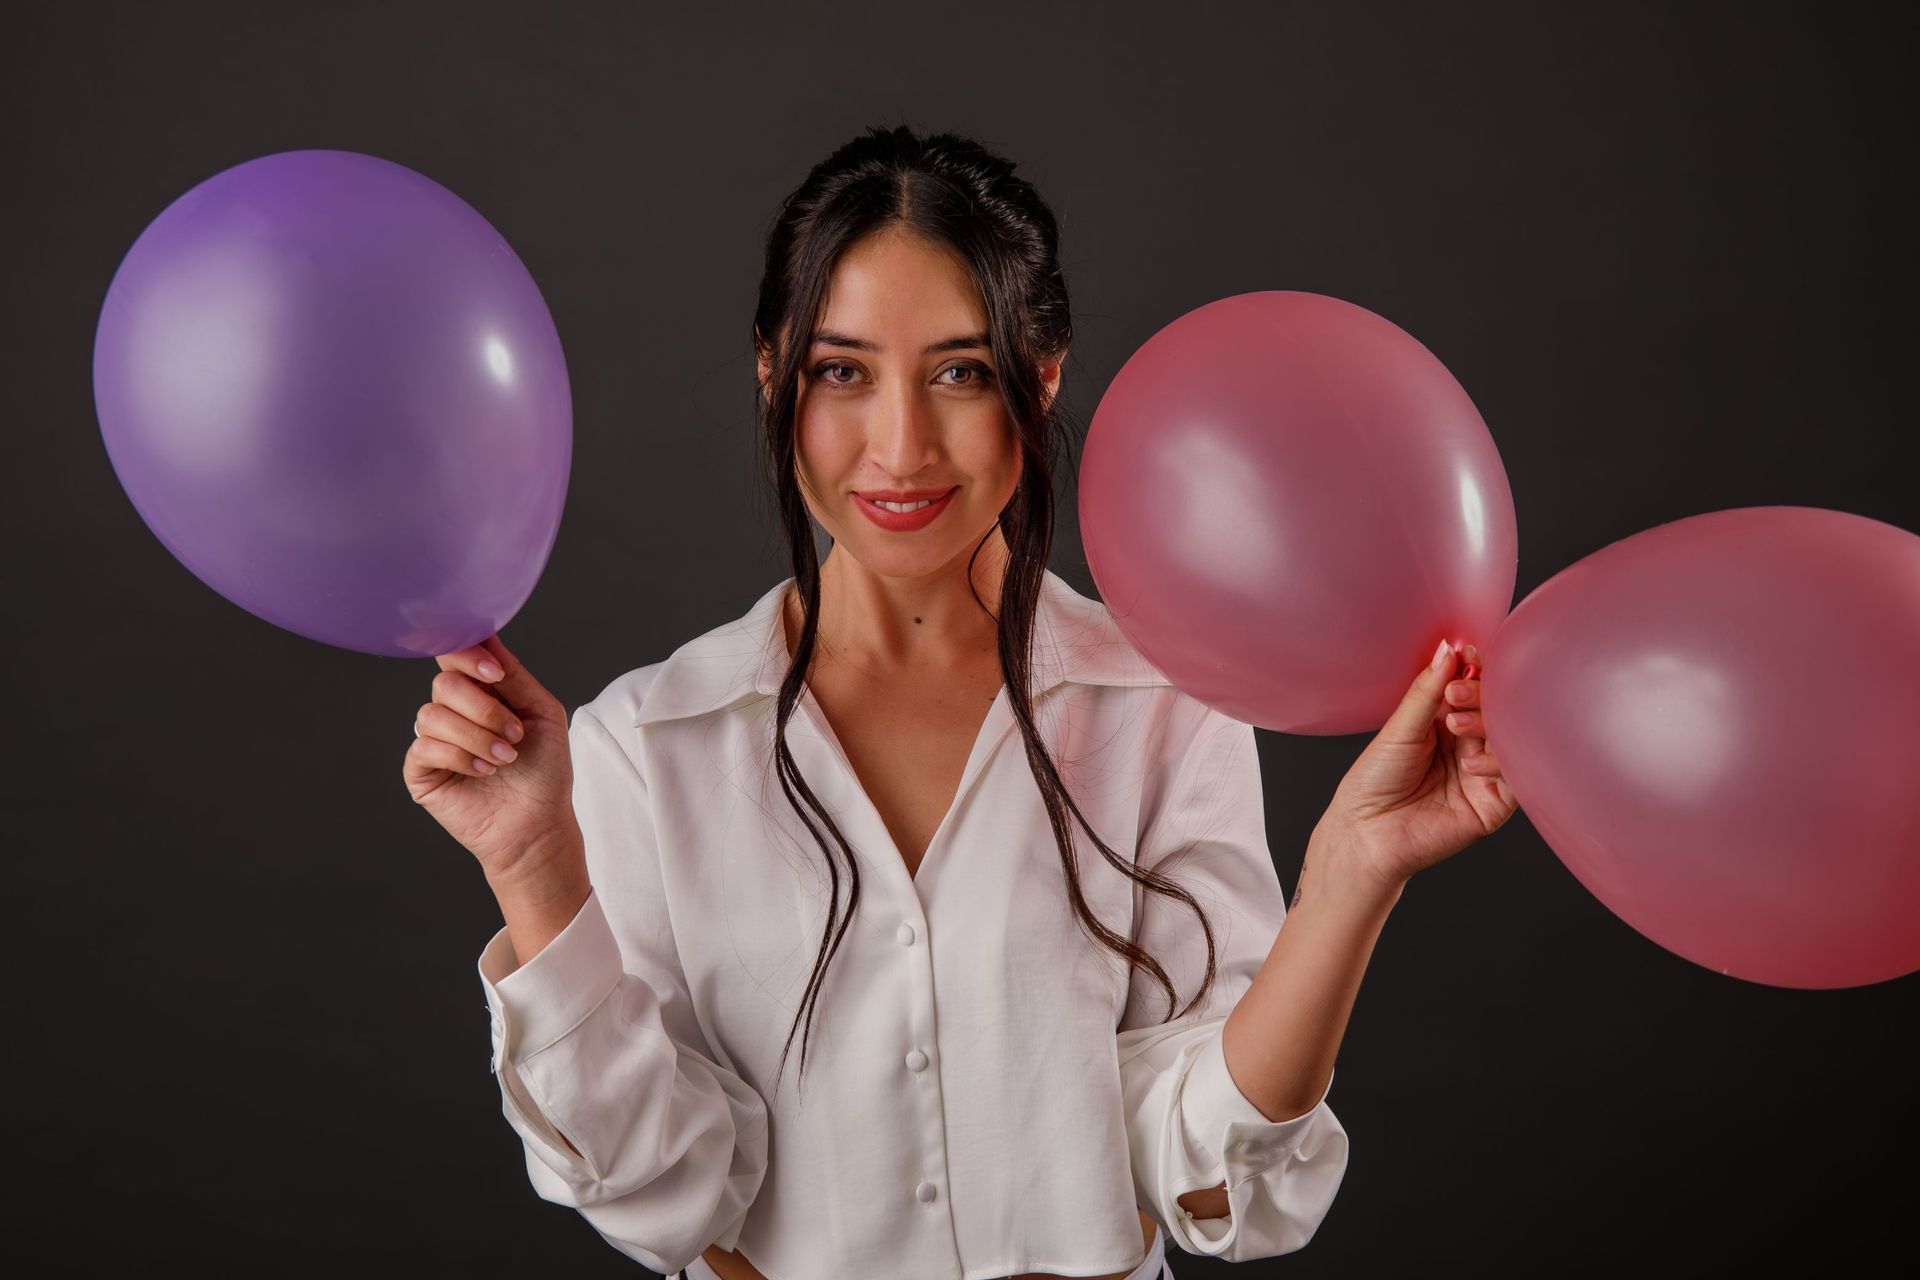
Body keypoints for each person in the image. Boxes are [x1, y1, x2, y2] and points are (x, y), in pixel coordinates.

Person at [403, 125, 1518, 1280]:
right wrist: (535, 865)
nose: (901, 446)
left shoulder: (1167, 705)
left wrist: (1349, 873)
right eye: (842, 371)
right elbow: (664, 1196)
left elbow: (1212, 1173)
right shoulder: (642, 746)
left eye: (960, 371)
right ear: (771, 369)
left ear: (1040, 379)